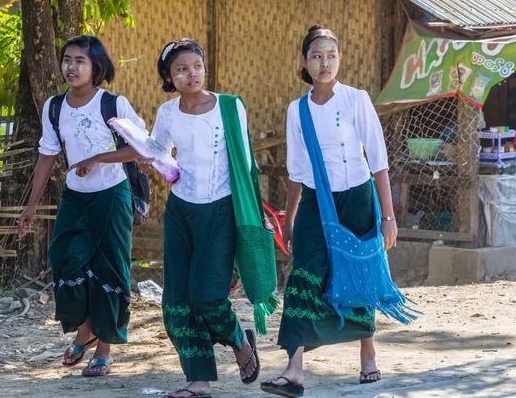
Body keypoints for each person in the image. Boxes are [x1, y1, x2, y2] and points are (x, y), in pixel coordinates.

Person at [261, 25, 397, 397]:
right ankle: (294, 368)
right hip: (315, 202)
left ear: (340, 60)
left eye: (332, 55)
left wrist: (388, 217)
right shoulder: (297, 109)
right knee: (303, 275)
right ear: (305, 62)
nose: (325, 63)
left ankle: (367, 353)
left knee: (358, 272)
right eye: (317, 56)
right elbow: (296, 170)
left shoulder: (356, 99)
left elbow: (379, 161)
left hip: (357, 199)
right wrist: (289, 220)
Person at [138, 38, 260, 398]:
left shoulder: (229, 107)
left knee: (207, 296)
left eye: (196, 66)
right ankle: (199, 380)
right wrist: (148, 162)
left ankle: (239, 341)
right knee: (178, 298)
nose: (191, 74)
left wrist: (252, 215)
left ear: (204, 68)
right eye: (181, 69)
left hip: (220, 208)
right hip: (180, 210)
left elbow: (246, 162)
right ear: (169, 77)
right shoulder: (168, 112)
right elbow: (159, 152)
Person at [17, 35, 146, 377]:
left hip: (111, 194)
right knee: (65, 261)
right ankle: (86, 328)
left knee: (109, 269)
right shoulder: (54, 107)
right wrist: (29, 206)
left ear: (96, 67)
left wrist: (99, 157)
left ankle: (104, 349)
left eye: (80, 61)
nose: (71, 67)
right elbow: (47, 156)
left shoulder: (112, 104)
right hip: (75, 197)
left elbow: (141, 148)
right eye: (67, 60)